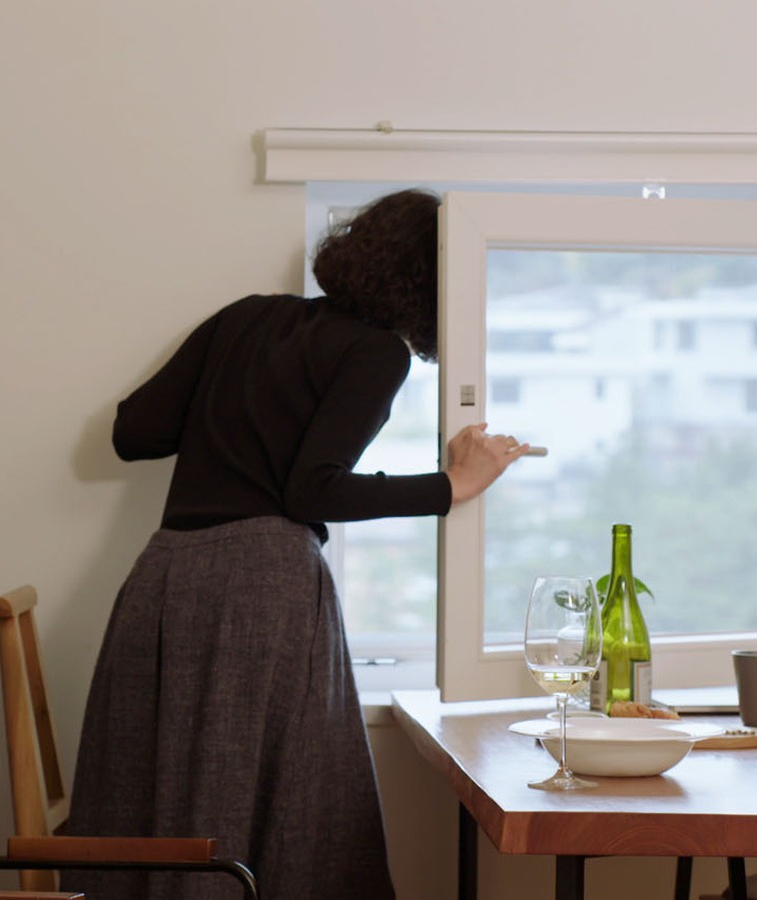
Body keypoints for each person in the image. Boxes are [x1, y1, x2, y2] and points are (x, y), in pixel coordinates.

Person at [63, 188, 531, 900]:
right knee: (280, 801)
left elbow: (135, 434)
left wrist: (235, 405)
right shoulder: (377, 353)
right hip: (261, 580)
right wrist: (450, 486)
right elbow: (312, 492)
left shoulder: (247, 316)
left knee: (153, 786)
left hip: (165, 575)